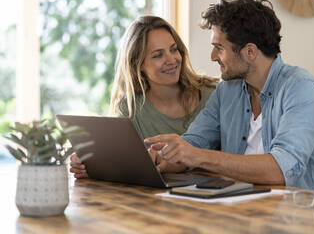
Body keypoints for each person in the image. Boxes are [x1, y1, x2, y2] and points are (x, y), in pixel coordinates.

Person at [145, 0, 314, 191]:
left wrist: (197, 156)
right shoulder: (226, 91)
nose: (213, 57)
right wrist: (163, 157)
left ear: (250, 52)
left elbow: (281, 170)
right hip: (239, 210)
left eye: (219, 48)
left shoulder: (302, 89)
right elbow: (194, 143)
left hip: (297, 215)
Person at [70, 16, 219, 179]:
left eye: (173, 49)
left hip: (218, 195)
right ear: (138, 64)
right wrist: (91, 165)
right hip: (159, 198)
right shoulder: (131, 108)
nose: (171, 60)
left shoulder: (213, 94)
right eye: (158, 55)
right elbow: (117, 160)